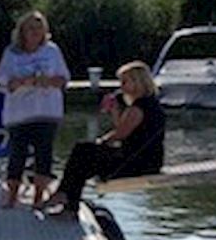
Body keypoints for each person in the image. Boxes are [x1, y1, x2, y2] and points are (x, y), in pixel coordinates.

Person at [46, 61, 165, 215]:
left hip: (137, 163)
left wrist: (100, 142)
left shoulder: (138, 108)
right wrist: (115, 110)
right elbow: (122, 130)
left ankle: (66, 199)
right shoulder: (150, 104)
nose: (121, 86)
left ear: (137, 82)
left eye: (124, 82)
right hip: (146, 160)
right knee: (84, 156)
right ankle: (67, 200)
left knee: (83, 151)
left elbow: (119, 134)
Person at [0, 10, 69, 208]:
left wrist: (48, 81)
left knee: (44, 154)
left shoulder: (52, 51)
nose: (35, 32)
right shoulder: (11, 52)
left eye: (39, 28)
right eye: (31, 28)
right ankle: (12, 197)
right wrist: (16, 82)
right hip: (19, 112)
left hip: (47, 111)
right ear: (22, 31)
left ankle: (38, 197)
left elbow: (63, 78)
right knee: (17, 154)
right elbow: (0, 78)